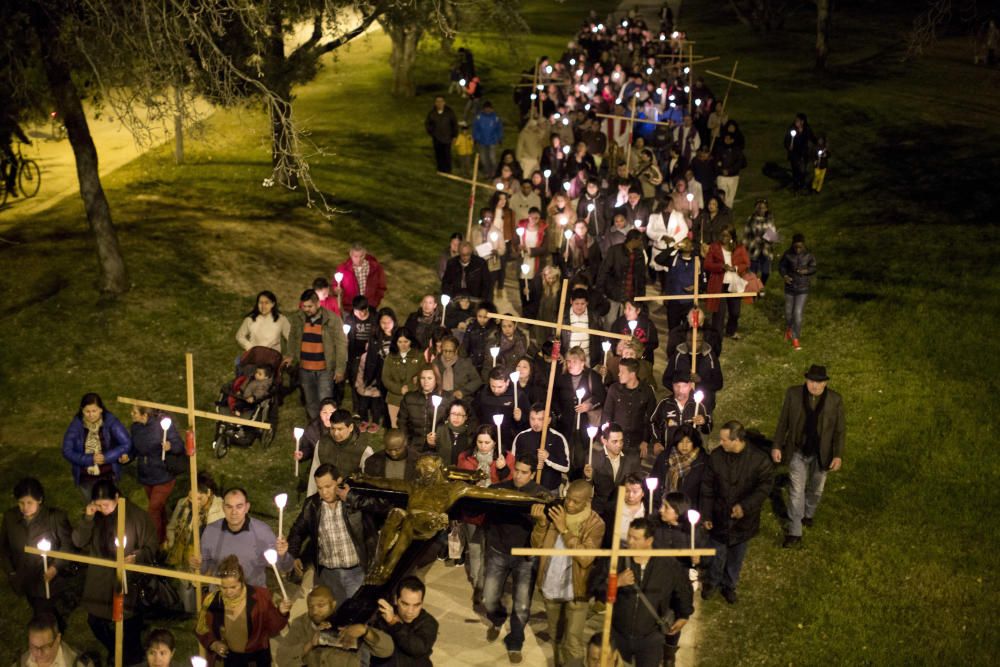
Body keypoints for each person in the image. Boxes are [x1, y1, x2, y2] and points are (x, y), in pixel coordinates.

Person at [73, 480, 157, 667]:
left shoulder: (136, 516)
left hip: (126, 581)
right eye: (98, 505)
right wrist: (87, 519)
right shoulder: (94, 516)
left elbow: (151, 545)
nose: (102, 509)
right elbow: (78, 541)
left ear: (117, 498)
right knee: (95, 621)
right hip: (100, 579)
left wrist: (136, 557)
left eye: (106, 505)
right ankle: (115, 649)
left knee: (129, 626)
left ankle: (129, 657)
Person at [529, 480, 605, 667]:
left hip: (576, 592)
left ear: (588, 501)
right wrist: (540, 525)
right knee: (556, 637)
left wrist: (563, 529)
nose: (569, 504)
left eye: (576, 501)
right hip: (551, 586)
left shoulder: (596, 523)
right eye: (568, 498)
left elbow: (586, 559)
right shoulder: (556, 513)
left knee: (572, 642)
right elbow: (536, 547)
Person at [288, 464, 388, 604]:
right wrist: (293, 554)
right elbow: (297, 531)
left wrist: (353, 498)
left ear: (339, 481)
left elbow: (384, 506)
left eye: (328, 486)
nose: (324, 492)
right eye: (320, 488)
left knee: (355, 610)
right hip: (328, 573)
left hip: (357, 572)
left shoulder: (354, 499)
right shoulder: (312, 505)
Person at [482, 454, 549, 663]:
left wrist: (540, 520)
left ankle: (515, 641)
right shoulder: (500, 489)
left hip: (525, 556)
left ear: (532, 474)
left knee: (521, 604)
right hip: (499, 550)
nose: (519, 476)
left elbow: (545, 528)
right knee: (489, 597)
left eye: (524, 472)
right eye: (516, 470)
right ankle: (497, 618)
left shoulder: (541, 495)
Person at [700, 421, 774, 604]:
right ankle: (712, 582)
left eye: (725, 440)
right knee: (716, 554)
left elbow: (763, 488)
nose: (721, 442)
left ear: (737, 440)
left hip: (743, 522)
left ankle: (729, 585)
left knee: (736, 557)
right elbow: (707, 488)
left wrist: (745, 507)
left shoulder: (759, 460)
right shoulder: (716, 457)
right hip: (719, 516)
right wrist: (707, 514)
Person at [772, 365, 845, 547]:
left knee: (816, 488)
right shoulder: (793, 394)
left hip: (822, 454)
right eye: (812, 381)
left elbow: (839, 430)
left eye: (819, 382)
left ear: (825, 383)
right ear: (806, 380)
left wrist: (837, 455)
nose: (815, 386)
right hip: (797, 450)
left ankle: (808, 514)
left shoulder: (835, 400)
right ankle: (794, 532)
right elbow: (783, 422)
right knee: (796, 491)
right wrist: (777, 445)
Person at [612, 518, 694, 667]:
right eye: (629, 536)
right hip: (619, 634)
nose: (629, 542)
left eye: (635, 538)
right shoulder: (616, 560)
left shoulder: (668, 564)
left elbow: (683, 590)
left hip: (651, 637)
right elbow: (595, 588)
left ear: (649, 541)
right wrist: (616, 582)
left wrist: (684, 615)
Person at [1, 479, 75, 630]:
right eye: (21, 503)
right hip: (24, 578)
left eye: (29, 502)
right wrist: (11, 572)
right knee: (37, 606)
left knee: (42, 614)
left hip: (47, 579)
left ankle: (53, 635)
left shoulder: (55, 518)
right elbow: (3, 547)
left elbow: (68, 546)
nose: (25, 507)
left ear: (40, 499)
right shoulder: (10, 518)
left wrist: (55, 568)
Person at [456, 425, 515, 605]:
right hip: (472, 511)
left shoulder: (506, 458)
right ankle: (478, 585)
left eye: (487, 443)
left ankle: (491, 585)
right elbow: (459, 480)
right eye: (480, 442)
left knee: (492, 551)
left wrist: (503, 469)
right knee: (474, 549)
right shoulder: (465, 457)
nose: (483, 446)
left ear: (494, 442)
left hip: (494, 511)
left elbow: (510, 483)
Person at [195, 555, 291, 666]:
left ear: (242, 582)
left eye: (233, 587)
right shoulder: (212, 601)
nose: (228, 592)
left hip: (256, 659)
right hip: (230, 659)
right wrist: (213, 644)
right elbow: (201, 629)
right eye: (224, 588)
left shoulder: (260, 597)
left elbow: (272, 629)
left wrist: (280, 613)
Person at [192, 487, 292, 588]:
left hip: (253, 593)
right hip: (221, 593)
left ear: (247, 507)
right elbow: (203, 568)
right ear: (223, 507)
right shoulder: (211, 531)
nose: (234, 512)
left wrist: (283, 555)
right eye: (229, 507)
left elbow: (285, 568)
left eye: (239, 506)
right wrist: (197, 565)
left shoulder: (262, 532)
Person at [275, 585, 393, 667]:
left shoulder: (349, 619)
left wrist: (366, 631)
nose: (315, 611)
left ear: (333, 604)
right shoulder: (302, 623)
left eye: (321, 606)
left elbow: (386, 650)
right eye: (311, 607)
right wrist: (311, 643)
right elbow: (282, 658)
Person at [286, 289, 348, 421]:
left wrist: (340, 369)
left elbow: (341, 345)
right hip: (305, 368)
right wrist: (291, 355)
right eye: (304, 306)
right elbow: (292, 338)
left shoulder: (332, 319)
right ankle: (315, 425)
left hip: (324, 369)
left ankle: (327, 426)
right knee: (310, 400)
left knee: (325, 401)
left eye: (310, 306)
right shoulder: (298, 319)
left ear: (318, 304)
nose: (306, 309)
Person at [127, 406, 185, 543]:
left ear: (144, 414)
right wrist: (127, 457)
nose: (131, 414)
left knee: (153, 510)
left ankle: (154, 542)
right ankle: (164, 535)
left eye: (134, 412)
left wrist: (170, 446)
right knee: (159, 509)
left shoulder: (162, 426)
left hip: (163, 476)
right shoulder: (135, 427)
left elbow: (179, 446)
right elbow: (134, 449)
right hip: (147, 476)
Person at [62, 393, 132, 500]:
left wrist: (106, 457)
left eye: (94, 411)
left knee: (112, 503)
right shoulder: (76, 426)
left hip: (108, 473)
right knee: (94, 505)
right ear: (82, 410)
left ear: (101, 409)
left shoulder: (111, 422)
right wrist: (90, 459)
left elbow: (126, 443)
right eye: (87, 411)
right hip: (86, 477)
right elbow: (67, 450)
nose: (91, 415)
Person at [372, 576, 439, 667]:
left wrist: (393, 623)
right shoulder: (383, 616)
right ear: (396, 600)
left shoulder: (428, 622)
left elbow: (417, 648)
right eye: (405, 604)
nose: (410, 611)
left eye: (416, 605)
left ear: (422, 603)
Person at [307, 410, 375, 492]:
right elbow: (314, 472)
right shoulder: (322, 443)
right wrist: (310, 497)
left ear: (350, 428)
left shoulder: (364, 450)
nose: (335, 433)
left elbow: (370, 482)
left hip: (349, 498)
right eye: (333, 428)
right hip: (326, 494)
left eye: (340, 429)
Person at [584, 423, 642, 520]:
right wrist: (588, 477)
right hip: (600, 511)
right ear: (604, 440)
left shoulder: (632, 458)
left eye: (621, 441)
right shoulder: (593, 459)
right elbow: (586, 488)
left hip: (623, 510)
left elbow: (638, 483)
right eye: (614, 441)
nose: (619, 445)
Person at [602, 358, 657, 459]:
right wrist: (605, 434)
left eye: (622, 372)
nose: (619, 374)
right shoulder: (614, 389)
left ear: (632, 374)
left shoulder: (647, 391)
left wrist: (645, 441)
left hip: (636, 443)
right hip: (615, 440)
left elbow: (651, 418)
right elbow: (607, 414)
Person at [704, 225, 750, 340]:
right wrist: (721, 266)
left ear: (731, 237)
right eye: (722, 235)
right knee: (719, 314)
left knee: (735, 312)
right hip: (719, 283)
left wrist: (735, 268)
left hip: (734, 283)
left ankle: (731, 330)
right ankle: (716, 337)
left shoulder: (739, 248)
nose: (723, 238)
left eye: (726, 235)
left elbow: (747, 263)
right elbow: (707, 264)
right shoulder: (715, 247)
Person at [511, 404, 570, 492]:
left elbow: (566, 467)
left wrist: (548, 458)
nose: (536, 423)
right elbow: (513, 463)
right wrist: (533, 466)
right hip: (525, 488)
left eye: (540, 419)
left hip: (550, 490)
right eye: (532, 418)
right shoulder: (521, 437)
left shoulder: (557, 438)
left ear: (549, 420)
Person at [651, 425, 708, 515]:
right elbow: (655, 483)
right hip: (663, 509)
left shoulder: (703, 462)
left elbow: (705, 492)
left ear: (694, 442)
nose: (684, 446)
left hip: (689, 512)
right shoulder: (665, 457)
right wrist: (655, 507)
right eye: (681, 442)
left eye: (688, 442)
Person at [398, 365, 451, 453]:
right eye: (423, 378)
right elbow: (402, 422)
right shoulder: (409, 398)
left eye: (429, 378)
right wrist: (407, 443)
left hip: (438, 446)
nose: (426, 381)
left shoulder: (447, 398)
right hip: (414, 446)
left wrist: (439, 438)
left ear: (436, 379)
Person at [598, 229, 647, 322]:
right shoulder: (614, 251)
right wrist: (601, 291)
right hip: (614, 293)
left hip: (632, 294)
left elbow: (641, 277)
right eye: (639, 240)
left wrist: (641, 296)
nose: (641, 242)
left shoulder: (639, 254)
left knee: (628, 321)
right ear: (633, 240)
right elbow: (604, 271)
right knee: (611, 321)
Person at [778, 233, 817, 350]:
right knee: (788, 313)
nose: (798, 249)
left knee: (798, 314)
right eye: (796, 247)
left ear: (804, 245)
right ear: (793, 245)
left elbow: (813, 267)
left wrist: (806, 271)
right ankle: (789, 329)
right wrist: (784, 276)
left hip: (803, 288)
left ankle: (795, 338)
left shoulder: (809, 255)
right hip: (789, 288)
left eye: (800, 247)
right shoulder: (788, 254)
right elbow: (782, 266)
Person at [381, 328, 421, 428]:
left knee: (412, 426)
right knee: (395, 426)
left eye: (406, 341)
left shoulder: (419, 356)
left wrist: (410, 388)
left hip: (413, 399)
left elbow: (422, 377)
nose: (403, 345)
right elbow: (385, 378)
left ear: (411, 341)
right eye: (400, 342)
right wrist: (399, 389)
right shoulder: (390, 357)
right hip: (394, 398)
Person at [333, 242, 388, 313]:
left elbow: (381, 287)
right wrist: (336, 290)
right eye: (355, 256)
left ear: (365, 254)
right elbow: (335, 285)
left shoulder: (375, 268)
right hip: (350, 309)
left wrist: (374, 303)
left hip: (369, 308)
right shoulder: (343, 269)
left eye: (361, 256)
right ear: (351, 255)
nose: (358, 260)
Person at [15, 613, 80, 667]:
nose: (39, 653)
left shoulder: (79, 664)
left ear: (58, 638)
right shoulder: (19, 664)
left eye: (45, 647)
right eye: (34, 646)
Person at [432, 335, 482, 401]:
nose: (447, 354)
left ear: (456, 350)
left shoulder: (465, 363)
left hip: (461, 400)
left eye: (450, 351)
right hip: (440, 399)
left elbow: (477, 381)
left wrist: (463, 392)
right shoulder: (436, 362)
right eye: (444, 351)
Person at [743, 198, 778, 292]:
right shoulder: (751, 219)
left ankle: (761, 286)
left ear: (766, 209)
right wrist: (745, 249)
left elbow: (773, 234)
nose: (761, 210)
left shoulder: (770, 219)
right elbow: (746, 234)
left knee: (766, 272)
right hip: (754, 249)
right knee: (753, 273)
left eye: (763, 208)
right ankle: (753, 291)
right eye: (759, 207)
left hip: (766, 250)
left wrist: (768, 238)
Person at [431, 399, 473, 466]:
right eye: (453, 414)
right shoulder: (440, 430)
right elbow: (430, 453)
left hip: (462, 473)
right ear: (449, 415)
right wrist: (430, 444)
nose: (456, 417)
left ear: (466, 417)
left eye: (460, 414)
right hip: (441, 472)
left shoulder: (471, 433)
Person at [425, 96, 458, 173]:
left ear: (444, 103)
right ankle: (440, 170)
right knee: (438, 154)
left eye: (441, 101)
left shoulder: (449, 112)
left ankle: (448, 170)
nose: (439, 103)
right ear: (435, 103)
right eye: (437, 102)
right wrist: (432, 132)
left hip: (447, 138)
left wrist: (454, 136)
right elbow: (427, 124)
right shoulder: (432, 113)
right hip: (437, 138)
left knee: (447, 155)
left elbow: (454, 124)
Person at [784, 113, 815, 193]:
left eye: (797, 120)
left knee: (803, 170)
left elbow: (812, 138)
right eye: (795, 120)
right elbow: (786, 141)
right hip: (794, 154)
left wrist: (818, 143)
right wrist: (788, 146)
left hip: (803, 153)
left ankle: (802, 184)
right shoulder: (791, 129)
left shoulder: (807, 129)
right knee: (795, 170)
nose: (796, 122)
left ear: (802, 121)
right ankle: (796, 186)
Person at [473, 101, 504, 178]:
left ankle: (494, 172)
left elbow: (499, 129)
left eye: (489, 108)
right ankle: (487, 172)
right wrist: (476, 138)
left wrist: (499, 138)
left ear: (492, 109)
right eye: (486, 108)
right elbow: (475, 129)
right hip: (482, 142)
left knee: (492, 158)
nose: (487, 110)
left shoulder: (496, 118)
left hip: (492, 142)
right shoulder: (479, 118)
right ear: (483, 109)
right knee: (483, 159)